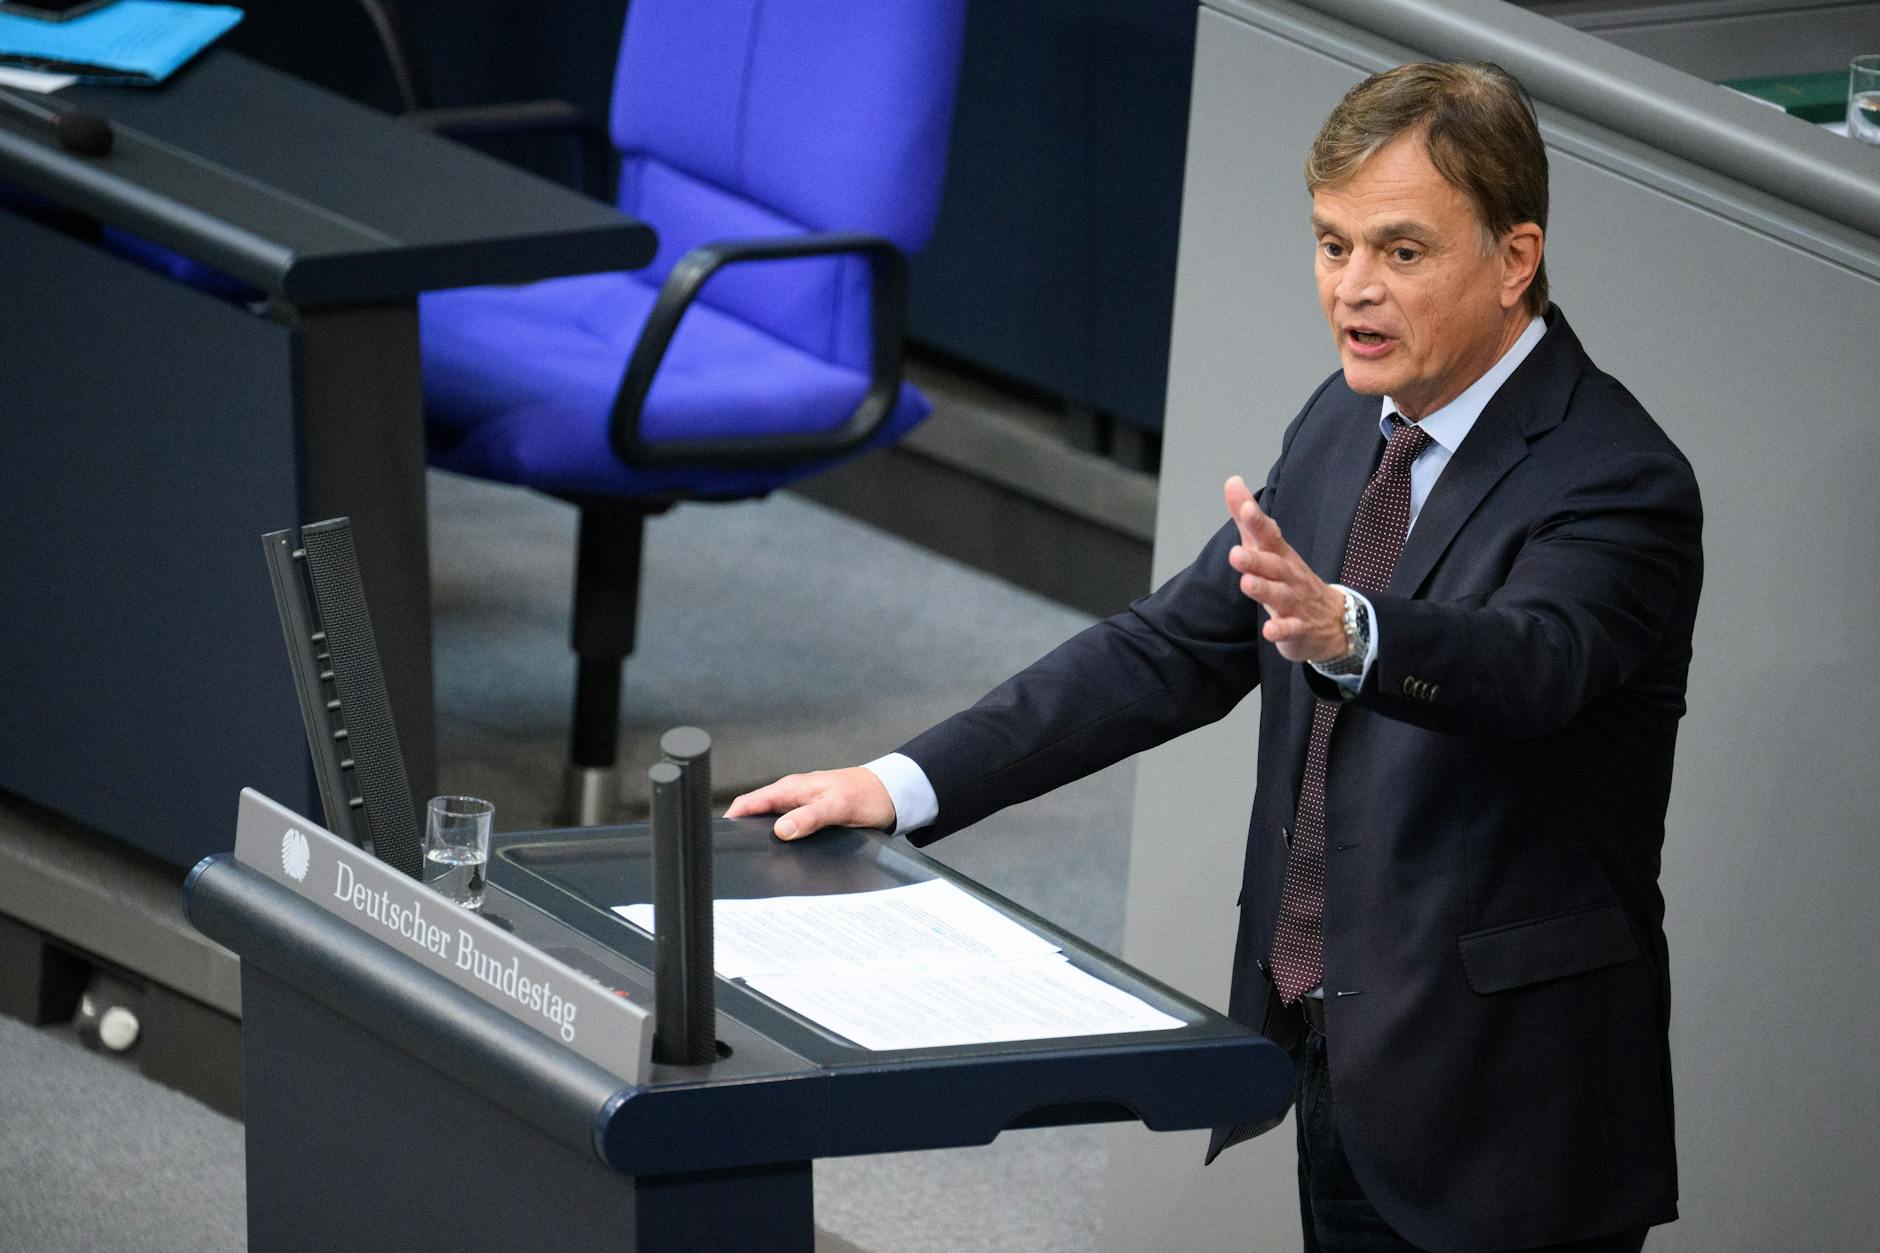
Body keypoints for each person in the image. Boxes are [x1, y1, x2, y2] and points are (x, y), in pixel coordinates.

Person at [728, 61, 1701, 1253]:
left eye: (1400, 251)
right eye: (1331, 244)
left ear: (1513, 257)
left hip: (1502, 1103)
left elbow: (1530, 665)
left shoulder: (1615, 477)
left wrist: (1353, 629)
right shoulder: (1349, 417)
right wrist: (900, 781)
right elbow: (1168, 647)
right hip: (1333, 1045)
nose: (1353, 290)